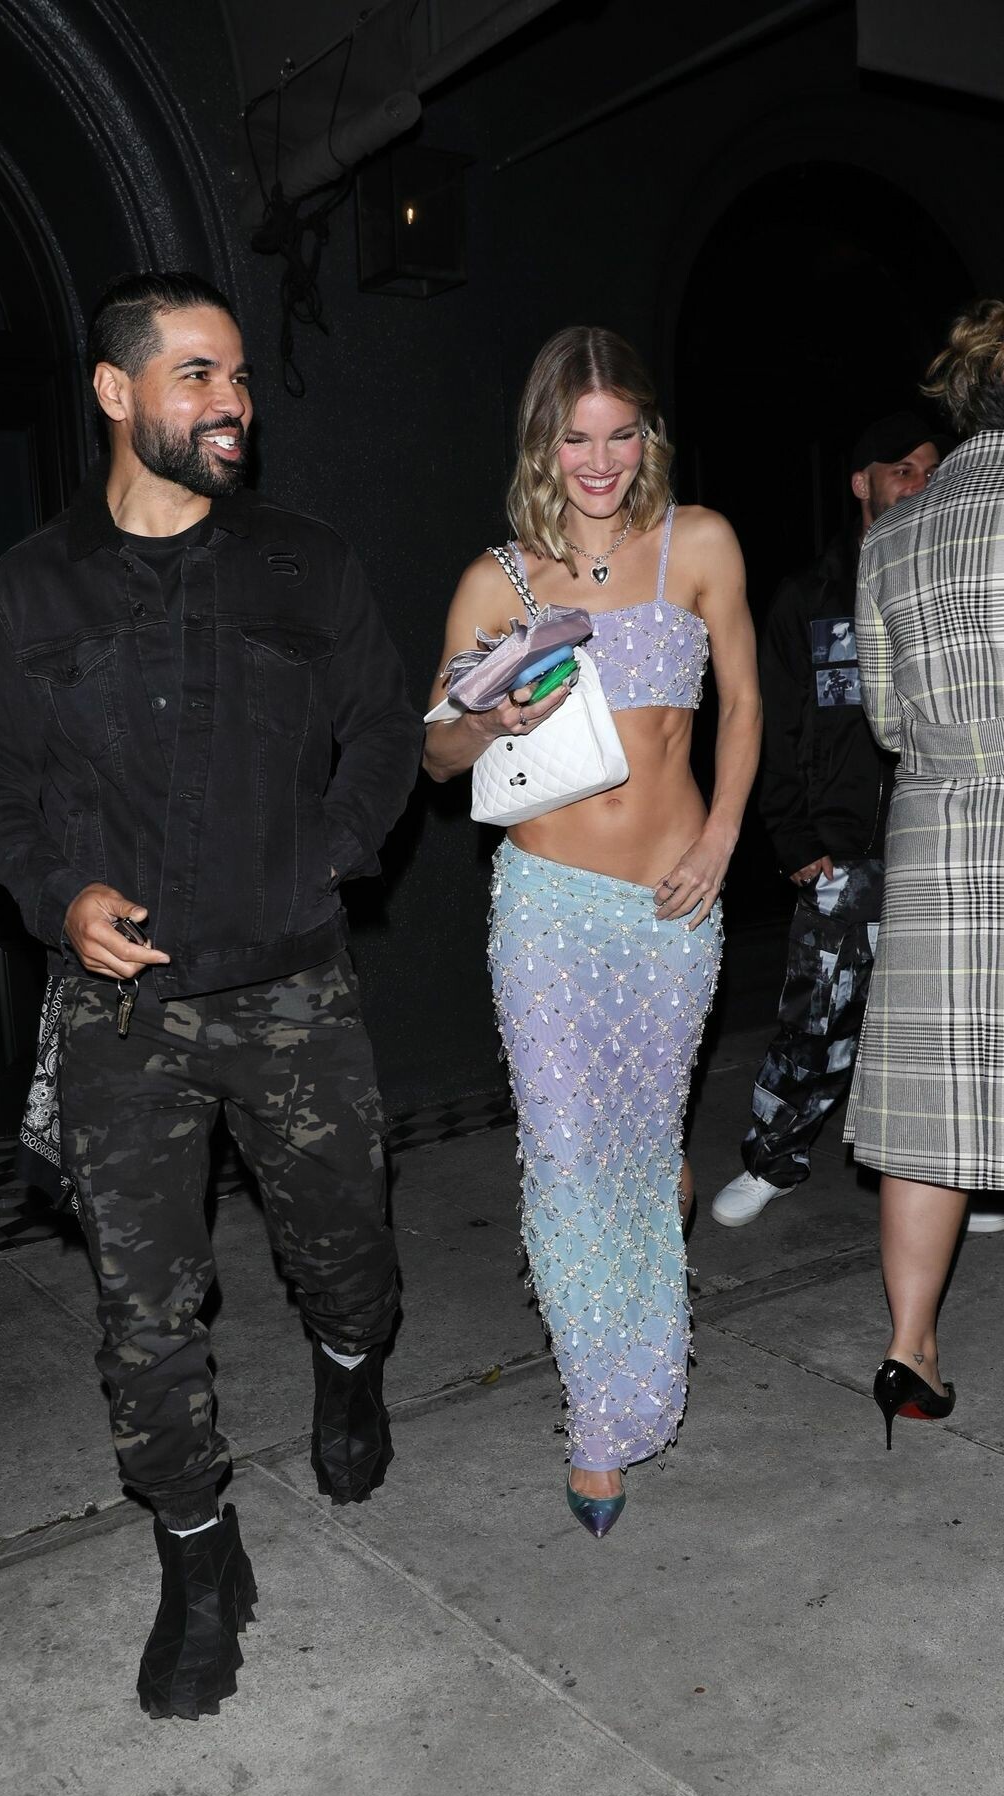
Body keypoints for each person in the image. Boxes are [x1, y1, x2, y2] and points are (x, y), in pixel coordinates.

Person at [0, 270, 423, 1717]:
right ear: (117, 392)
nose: (234, 403)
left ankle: (349, 1362)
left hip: (293, 992)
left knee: (346, 1249)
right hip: (125, 1018)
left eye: (239, 376)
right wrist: (59, 898)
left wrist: (327, 856)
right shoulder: (31, 588)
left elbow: (382, 730)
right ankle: (199, 1558)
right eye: (198, 375)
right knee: (144, 1317)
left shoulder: (305, 564)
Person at [424, 327, 760, 1536]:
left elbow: (743, 706)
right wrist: (486, 718)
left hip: (672, 906)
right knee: (569, 1164)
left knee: (646, 1163)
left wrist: (719, 840)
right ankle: (602, 1422)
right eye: (575, 438)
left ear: (647, 436)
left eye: (620, 434)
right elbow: (434, 752)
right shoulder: (495, 581)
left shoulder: (699, 544)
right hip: (547, 908)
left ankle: (634, 1300)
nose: (600, 460)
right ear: (542, 444)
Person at [711, 413, 944, 1228]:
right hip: (842, 851)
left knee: (945, 1025)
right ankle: (774, 1160)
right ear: (861, 482)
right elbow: (771, 726)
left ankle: (964, 1174)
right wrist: (796, 839)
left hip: (938, 841)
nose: (918, 482)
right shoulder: (807, 599)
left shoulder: (951, 582)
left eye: (930, 468)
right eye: (901, 469)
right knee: (815, 1019)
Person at [843, 299, 1004, 1445]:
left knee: (927, 1103)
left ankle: (908, 1348)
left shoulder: (892, 534)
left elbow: (887, 721)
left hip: (938, 830)